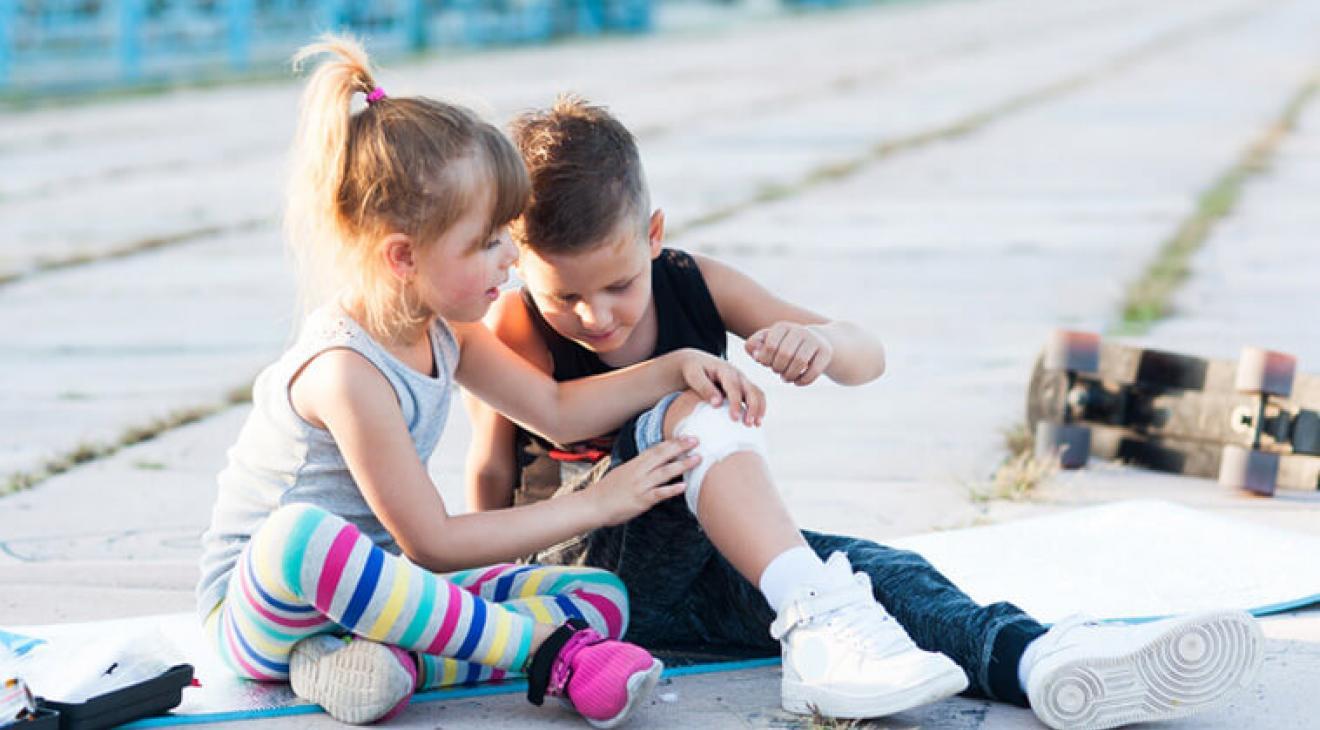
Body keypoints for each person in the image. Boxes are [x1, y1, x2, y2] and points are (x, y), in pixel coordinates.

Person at [463, 96, 1265, 729]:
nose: (595, 316)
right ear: (518, 262)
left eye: (617, 285)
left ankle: (1041, 661)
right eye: (564, 293)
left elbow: (865, 353)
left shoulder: (690, 280)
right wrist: (482, 601)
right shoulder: (513, 325)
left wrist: (819, 345)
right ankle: (820, 617)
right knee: (683, 408)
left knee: (878, 574)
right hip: (584, 579)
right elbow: (511, 451)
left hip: (698, 572)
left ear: (653, 234)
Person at [195, 41, 767, 728]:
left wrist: (672, 369)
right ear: (404, 257)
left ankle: (388, 661)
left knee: (600, 595)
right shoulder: (345, 372)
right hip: (262, 606)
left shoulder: (447, 330)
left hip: (382, 603)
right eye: (489, 242)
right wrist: (596, 505)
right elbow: (430, 542)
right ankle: (548, 653)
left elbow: (555, 410)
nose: (510, 260)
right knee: (299, 536)